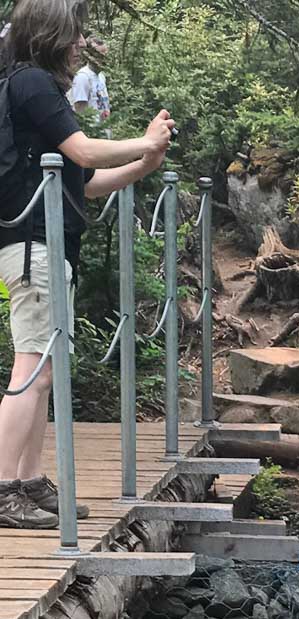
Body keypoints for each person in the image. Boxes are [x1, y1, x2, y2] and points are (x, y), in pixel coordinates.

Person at [0, 0, 173, 529]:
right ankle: (5, 487)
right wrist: (143, 140)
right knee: (31, 368)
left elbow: (85, 187)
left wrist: (144, 163)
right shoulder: (31, 82)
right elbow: (82, 152)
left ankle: (28, 482)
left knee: (44, 370)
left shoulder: (32, 86)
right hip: (33, 247)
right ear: (51, 34)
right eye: (74, 35)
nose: (80, 44)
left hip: (47, 245)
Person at [69, 33, 108, 129]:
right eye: (99, 55)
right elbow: (80, 110)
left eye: (105, 54)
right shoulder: (83, 77)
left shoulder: (101, 76)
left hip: (103, 131)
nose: (103, 59)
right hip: (91, 134)